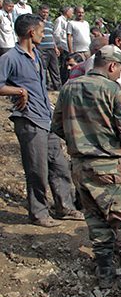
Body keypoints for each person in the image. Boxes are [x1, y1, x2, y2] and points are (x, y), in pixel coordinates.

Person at [52, 45, 121, 289]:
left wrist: (81, 143)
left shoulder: (69, 87)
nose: (120, 74)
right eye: (120, 69)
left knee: (95, 220)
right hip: (108, 165)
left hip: (79, 165)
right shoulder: (113, 90)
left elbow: (56, 126)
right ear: (112, 65)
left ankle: (105, 274)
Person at [0, 13, 82, 227]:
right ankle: (39, 213)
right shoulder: (10, 58)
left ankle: (65, 208)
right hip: (28, 120)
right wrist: (18, 90)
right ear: (30, 32)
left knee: (59, 166)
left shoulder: (37, 55)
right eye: (41, 30)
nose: (43, 34)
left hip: (46, 118)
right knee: (37, 170)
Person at [37, 5, 61, 90]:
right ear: (39, 11)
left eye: (47, 12)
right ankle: (44, 86)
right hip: (41, 48)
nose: (45, 14)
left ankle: (57, 87)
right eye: (43, 12)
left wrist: (56, 48)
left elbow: (52, 36)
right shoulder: (36, 21)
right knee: (43, 69)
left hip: (51, 48)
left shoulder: (50, 22)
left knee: (55, 68)